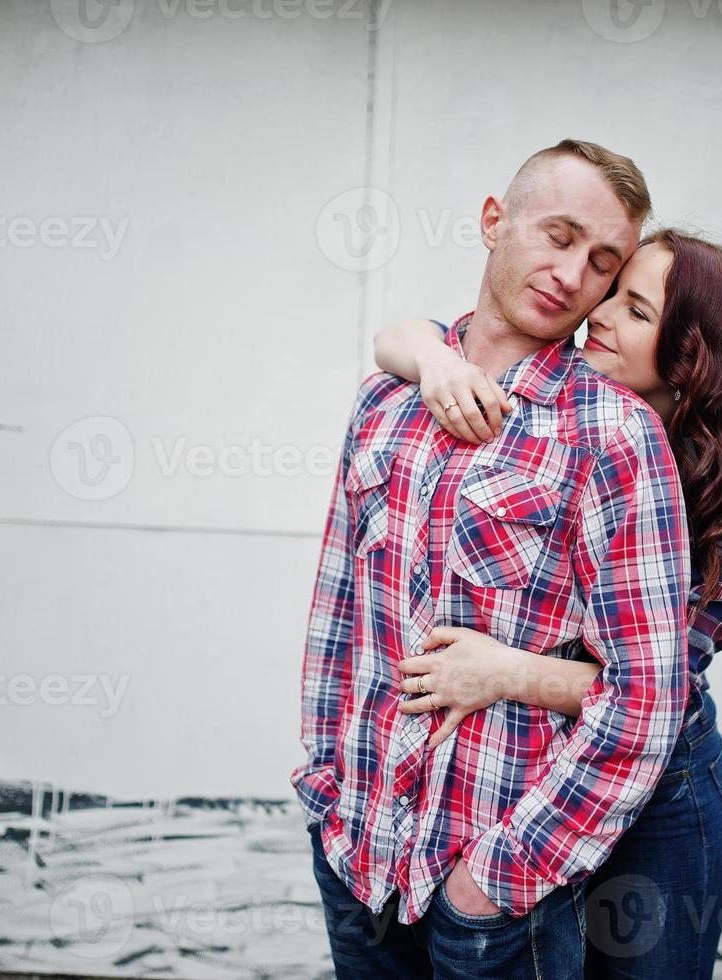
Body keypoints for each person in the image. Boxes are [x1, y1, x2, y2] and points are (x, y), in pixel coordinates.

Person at [289, 139, 692, 979]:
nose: (572, 271)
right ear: (492, 221)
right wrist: (327, 798)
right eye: (558, 234)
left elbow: (646, 697)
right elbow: (337, 620)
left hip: (493, 891)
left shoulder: (613, 434)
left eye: (601, 262)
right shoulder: (385, 401)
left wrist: (498, 877)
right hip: (359, 855)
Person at [373, 227, 722, 978]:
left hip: (659, 794)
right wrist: (439, 362)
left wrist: (505, 671)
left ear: (693, 353)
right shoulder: (558, 408)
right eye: (614, 293)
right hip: (541, 777)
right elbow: (403, 337)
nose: (597, 313)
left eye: (634, 310)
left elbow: (653, 691)